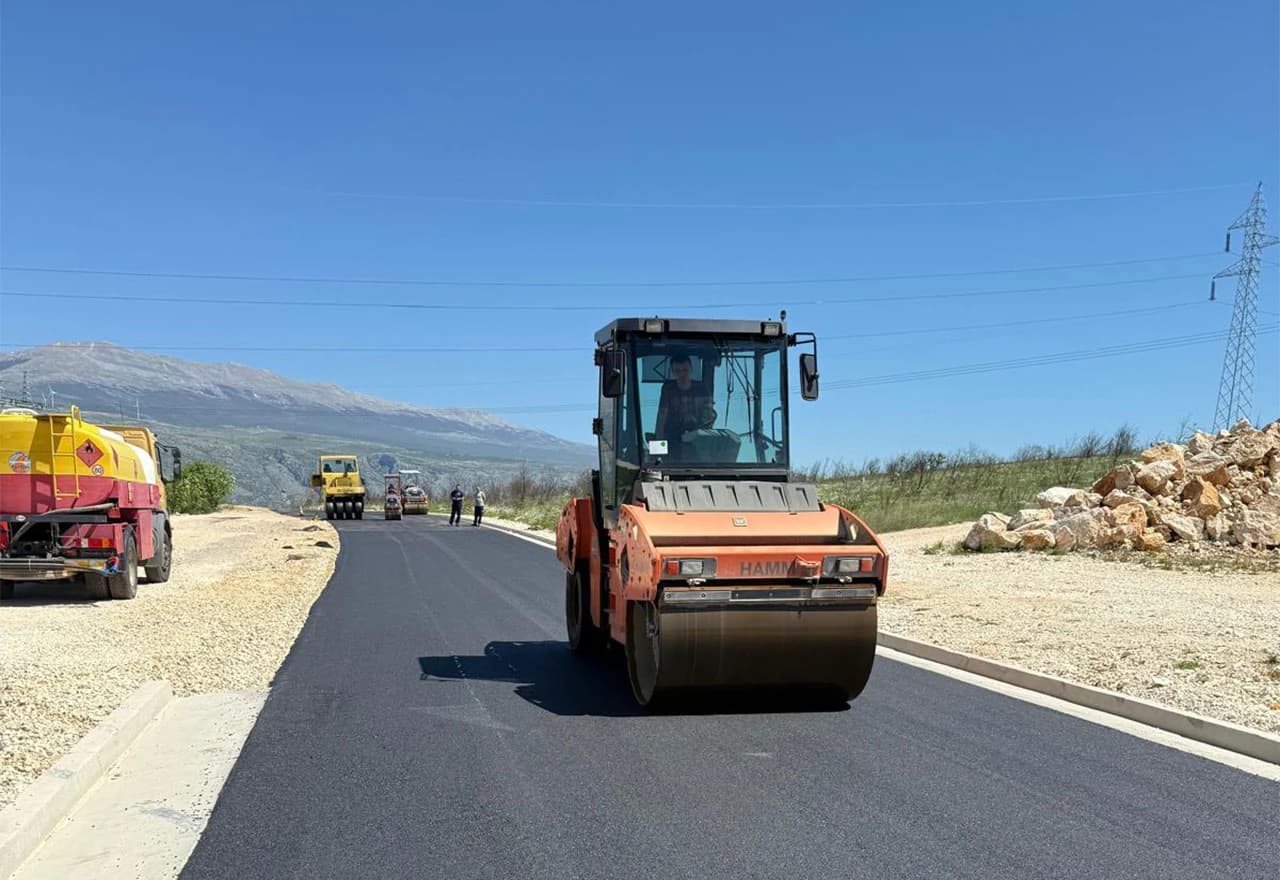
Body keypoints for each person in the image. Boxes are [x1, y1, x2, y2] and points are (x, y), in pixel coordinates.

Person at [654, 353, 715, 459]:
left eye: (685, 370)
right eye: (677, 371)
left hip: (697, 444)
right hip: (672, 443)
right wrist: (656, 454)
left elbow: (708, 419)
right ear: (672, 372)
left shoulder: (702, 390)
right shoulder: (668, 390)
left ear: (691, 369)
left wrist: (695, 434)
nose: (682, 374)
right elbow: (661, 421)